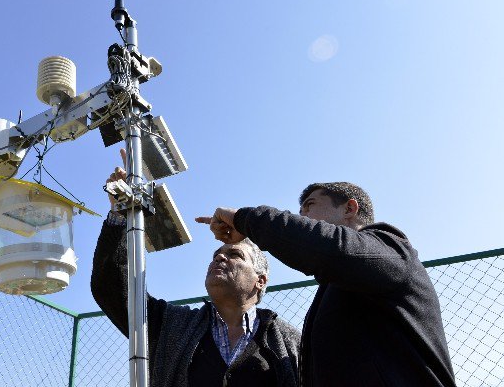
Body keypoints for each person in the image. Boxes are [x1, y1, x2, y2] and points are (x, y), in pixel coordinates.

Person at [196, 182, 456, 387]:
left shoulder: (391, 249)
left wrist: (246, 219)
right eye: (300, 213)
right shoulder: (339, 286)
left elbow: (327, 247)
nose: (303, 217)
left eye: (310, 206)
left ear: (349, 208)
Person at [91, 152, 301, 387]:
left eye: (234, 254)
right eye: (216, 255)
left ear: (260, 281)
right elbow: (110, 287)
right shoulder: (170, 326)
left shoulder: (291, 343)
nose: (220, 257)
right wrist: (122, 211)